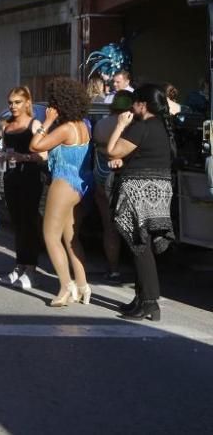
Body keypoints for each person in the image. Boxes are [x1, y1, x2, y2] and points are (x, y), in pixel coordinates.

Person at [106, 84, 176, 322]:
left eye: (134, 102)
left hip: (138, 192)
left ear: (142, 105)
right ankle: (141, 297)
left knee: (139, 245)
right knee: (142, 245)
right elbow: (144, 157)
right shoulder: (163, 128)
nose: (131, 106)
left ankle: (149, 301)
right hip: (159, 191)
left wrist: (120, 125)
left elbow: (112, 150)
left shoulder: (141, 127)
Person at [29, 77, 93, 307]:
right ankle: (83, 285)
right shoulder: (84, 125)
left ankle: (66, 286)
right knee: (70, 238)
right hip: (80, 183)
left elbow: (35, 145)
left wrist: (47, 122)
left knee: (50, 235)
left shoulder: (65, 128)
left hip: (63, 182)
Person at [0, 86, 45, 291]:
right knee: (16, 223)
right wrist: (2, 158)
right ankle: (20, 264)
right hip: (11, 176)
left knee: (29, 223)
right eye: (10, 102)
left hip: (31, 177)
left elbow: (43, 155)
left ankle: (32, 269)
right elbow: (4, 149)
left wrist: (23, 157)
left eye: (17, 102)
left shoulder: (35, 124)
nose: (13, 106)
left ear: (27, 102)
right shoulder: (6, 125)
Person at [91, 90, 134, 283]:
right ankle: (139, 269)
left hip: (101, 173)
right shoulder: (133, 125)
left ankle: (114, 269)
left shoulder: (101, 124)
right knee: (132, 225)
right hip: (123, 175)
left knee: (109, 226)